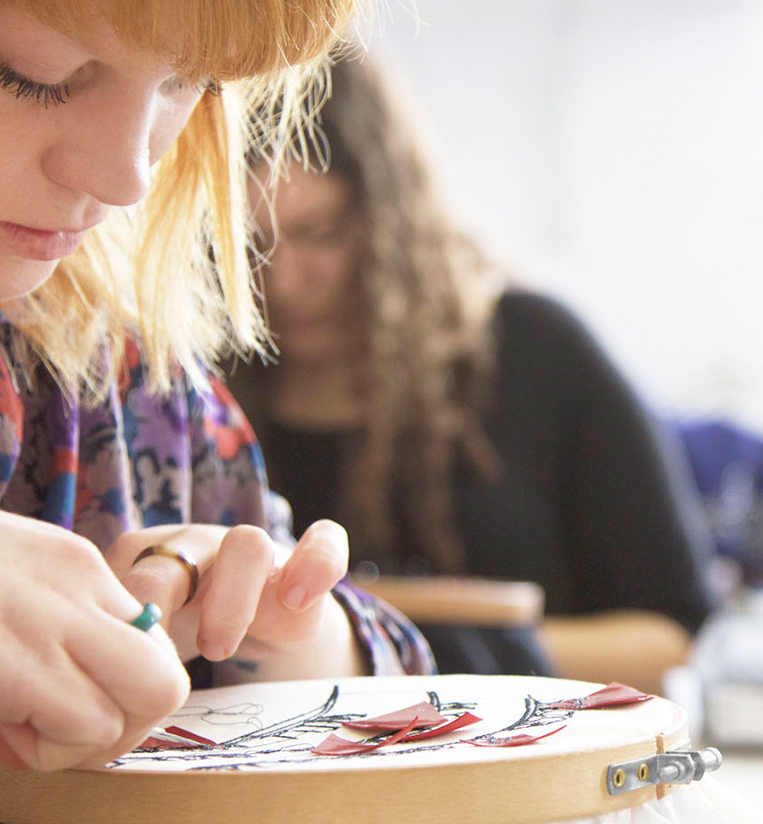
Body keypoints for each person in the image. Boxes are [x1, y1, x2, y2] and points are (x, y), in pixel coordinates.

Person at [0, 0, 433, 800]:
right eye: (36, 76)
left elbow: (400, 686)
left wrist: (286, 635)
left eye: (190, 83)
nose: (128, 177)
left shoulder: (103, 360)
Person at [234, 51, 718, 693]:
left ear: (391, 219)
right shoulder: (199, 393)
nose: (283, 281)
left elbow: (673, 636)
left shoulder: (537, 350)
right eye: (250, 246)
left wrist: (422, 655)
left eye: (321, 233)